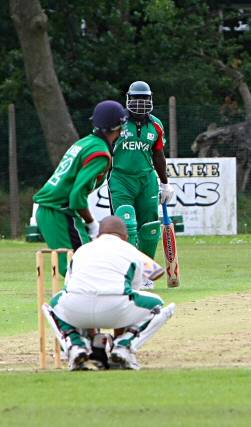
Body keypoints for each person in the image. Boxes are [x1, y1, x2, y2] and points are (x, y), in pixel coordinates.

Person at [48, 216, 176, 370]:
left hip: (77, 309)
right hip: (115, 307)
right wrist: (118, 338)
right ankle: (124, 346)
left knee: (55, 304)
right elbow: (155, 273)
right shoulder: (130, 250)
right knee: (157, 305)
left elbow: (74, 290)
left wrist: (94, 336)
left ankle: (76, 346)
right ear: (126, 237)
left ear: (98, 235)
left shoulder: (81, 251)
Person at [33, 100, 127, 276]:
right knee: (80, 265)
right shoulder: (99, 153)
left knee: (81, 263)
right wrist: (92, 223)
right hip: (59, 212)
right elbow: (76, 196)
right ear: (118, 127)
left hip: (54, 210)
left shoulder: (84, 143)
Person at [109, 81, 174, 289]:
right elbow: (104, 149)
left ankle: (145, 274)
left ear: (151, 100)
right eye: (136, 99)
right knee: (127, 224)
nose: (140, 103)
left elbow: (158, 155)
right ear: (128, 100)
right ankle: (129, 273)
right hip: (121, 180)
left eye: (144, 99)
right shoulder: (116, 123)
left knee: (150, 228)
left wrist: (165, 184)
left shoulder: (156, 125)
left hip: (147, 181)